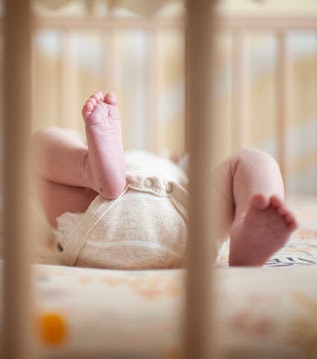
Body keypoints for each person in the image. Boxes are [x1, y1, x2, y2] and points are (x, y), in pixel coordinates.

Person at [32, 91, 298, 269]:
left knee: (39, 149)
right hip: (190, 230)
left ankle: (87, 168)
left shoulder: (174, 168)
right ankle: (247, 216)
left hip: (94, 215)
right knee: (251, 161)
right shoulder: (178, 172)